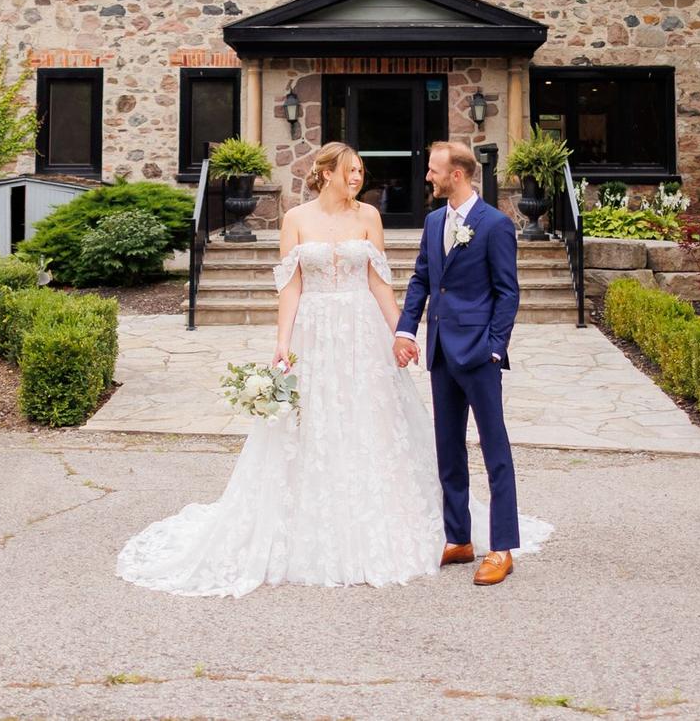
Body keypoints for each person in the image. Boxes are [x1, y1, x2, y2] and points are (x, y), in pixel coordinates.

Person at [116, 141, 549, 596]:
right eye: (352, 171)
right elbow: (294, 287)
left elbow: (385, 284)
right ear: (326, 173)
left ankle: (494, 543)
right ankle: (455, 537)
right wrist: (282, 344)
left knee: (400, 428)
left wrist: (400, 333)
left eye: (362, 170)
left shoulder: (375, 217)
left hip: (371, 334)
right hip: (316, 334)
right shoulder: (297, 220)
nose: (359, 178)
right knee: (349, 431)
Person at [394, 140, 523, 586]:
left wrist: (494, 347)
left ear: (458, 175)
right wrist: (406, 330)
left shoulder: (495, 225)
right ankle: (459, 538)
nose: (427, 177)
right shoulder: (433, 222)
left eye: (434, 170)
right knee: (448, 449)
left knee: (495, 451)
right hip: (441, 353)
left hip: (479, 355)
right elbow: (423, 279)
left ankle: (502, 548)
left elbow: (508, 292)